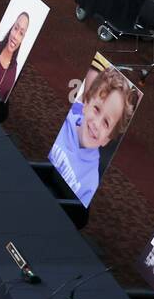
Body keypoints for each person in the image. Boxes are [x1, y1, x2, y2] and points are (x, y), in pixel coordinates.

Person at [47, 64, 141, 207]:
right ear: (85, 104)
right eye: (96, 109)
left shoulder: (91, 180)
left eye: (106, 123)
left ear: (107, 139)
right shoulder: (65, 119)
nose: (97, 123)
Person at [0, 11, 31, 98]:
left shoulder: (13, 72)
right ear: (11, 29)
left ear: (22, 39)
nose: (15, 36)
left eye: (21, 33)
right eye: (16, 28)